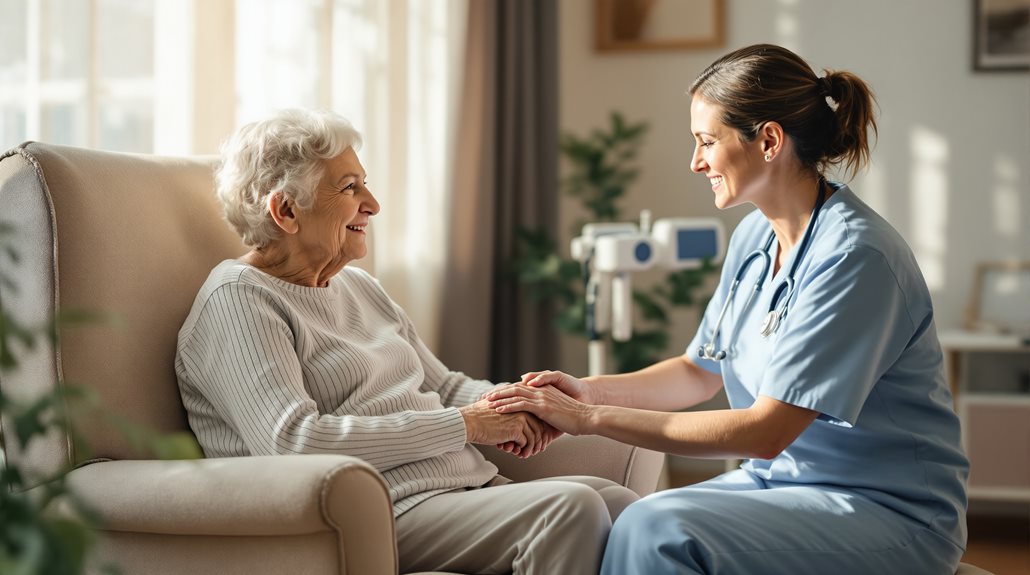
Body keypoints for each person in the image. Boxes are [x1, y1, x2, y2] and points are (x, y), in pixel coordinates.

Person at [484, 44, 969, 574]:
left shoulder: (856, 257)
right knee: (627, 514)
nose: (695, 162)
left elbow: (765, 432)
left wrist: (590, 419)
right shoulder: (754, 237)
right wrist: (585, 390)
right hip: (784, 486)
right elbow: (698, 372)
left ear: (768, 141)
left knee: (657, 531)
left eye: (706, 142)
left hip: (888, 510)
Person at [175, 108, 638, 575]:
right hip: (377, 514)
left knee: (623, 508)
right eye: (349, 187)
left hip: (458, 491)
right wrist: (468, 426)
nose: (372, 203)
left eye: (364, 183)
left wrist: (524, 404)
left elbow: (447, 389)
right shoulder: (239, 298)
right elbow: (292, 442)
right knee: (570, 508)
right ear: (286, 210)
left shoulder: (359, 287)